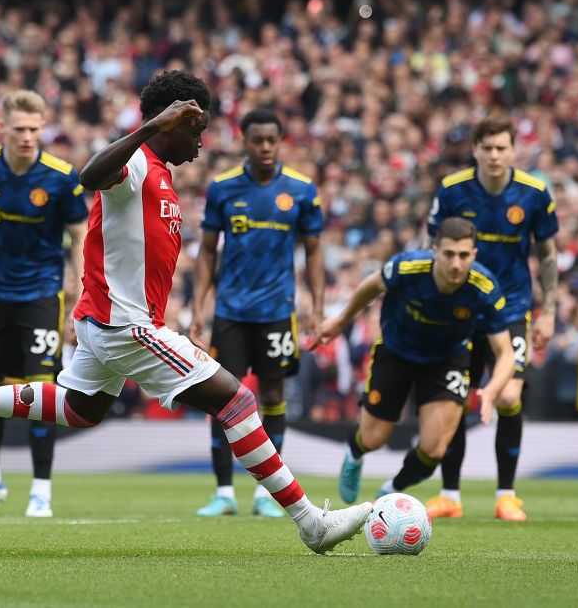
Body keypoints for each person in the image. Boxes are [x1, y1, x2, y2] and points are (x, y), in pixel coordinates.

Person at [0, 70, 370, 554]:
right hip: (127, 326)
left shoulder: (160, 173)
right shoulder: (138, 165)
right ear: (171, 122)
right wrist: (148, 127)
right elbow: (89, 176)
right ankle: (311, 522)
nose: (201, 141)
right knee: (238, 403)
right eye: (196, 128)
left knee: (77, 409)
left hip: (108, 322)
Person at [0, 90, 88, 518]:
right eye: (19, 128)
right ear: (2, 127)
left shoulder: (62, 176)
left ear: (44, 127)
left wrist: (81, 291)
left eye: (34, 128)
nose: (27, 136)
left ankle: (41, 490)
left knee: (41, 389)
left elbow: (81, 234)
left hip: (42, 293)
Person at [314, 217, 516, 503]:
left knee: (434, 449)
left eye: (463, 256)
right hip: (396, 351)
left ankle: (390, 492)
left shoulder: (484, 287)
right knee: (373, 439)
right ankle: (354, 453)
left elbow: (506, 352)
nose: (456, 264)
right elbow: (371, 286)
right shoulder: (406, 267)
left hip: (447, 359)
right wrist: (342, 320)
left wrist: (493, 389)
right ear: (434, 250)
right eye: (448, 254)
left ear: (474, 255)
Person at [190, 109, 324, 518]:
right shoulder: (224, 188)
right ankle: (224, 492)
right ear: (244, 141)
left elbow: (314, 250)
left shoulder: (301, 190)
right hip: (231, 312)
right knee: (221, 397)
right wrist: (199, 308)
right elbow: (208, 251)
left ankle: (266, 494)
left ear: (281, 142)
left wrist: (316, 307)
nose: (265, 147)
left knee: (273, 397)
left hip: (277, 312)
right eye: (257, 140)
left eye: (272, 140)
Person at [425, 118, 559, 522]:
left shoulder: (534, 193)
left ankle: (507, 495)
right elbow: (431, 246)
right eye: (488, 148)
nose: (495, 155)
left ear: (514, 149)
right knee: (454, 399)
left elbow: (548, 254)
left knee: (508, 396)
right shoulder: (452, 189)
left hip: (513, 308)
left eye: (502, 148)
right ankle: (450, 495)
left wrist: (549, 310)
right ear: (476, 150)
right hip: (460, 311)